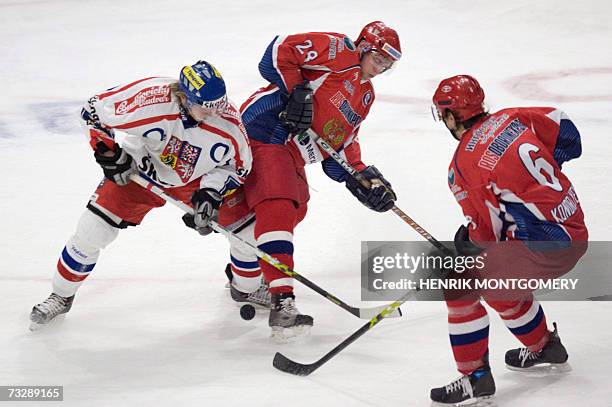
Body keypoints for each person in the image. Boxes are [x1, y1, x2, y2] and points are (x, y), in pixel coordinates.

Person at [30, 61, 252, 329]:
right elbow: (92, 110)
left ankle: (246, 288)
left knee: (246, 231)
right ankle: (60, 296)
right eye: (206, 107)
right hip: (140, 172)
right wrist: (109, 152)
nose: (214, 112)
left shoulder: (228, 126)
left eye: (219, 104)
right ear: (185, 97)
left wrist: (210, 194)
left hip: (196, 180)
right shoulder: (150, 99)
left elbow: (239, 168)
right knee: (91, 231)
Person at [217, 21, 401, 340]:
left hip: (291, 152)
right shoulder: (338, 50)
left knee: (284, 212)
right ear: (363, 46)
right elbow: (276, 53)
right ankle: (282, 302)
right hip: (264, 130)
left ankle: (245, 281)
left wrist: (361, 177)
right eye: (379, 58)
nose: (381, 68)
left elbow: (338, 147)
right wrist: (297, 91)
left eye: (388, 64)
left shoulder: (366, 97)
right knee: (279, 206)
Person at [428, 74, 588, 405]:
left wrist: (468, 244)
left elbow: (488, 235)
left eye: (443, 114)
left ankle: (475, 377)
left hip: (544, 246)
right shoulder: (514, 117)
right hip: (574, 227)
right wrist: (532, 184)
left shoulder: (462, 165)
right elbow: (569, 134)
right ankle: (545, 347)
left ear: (452, 115)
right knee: (498, 284)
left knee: (460, 286)